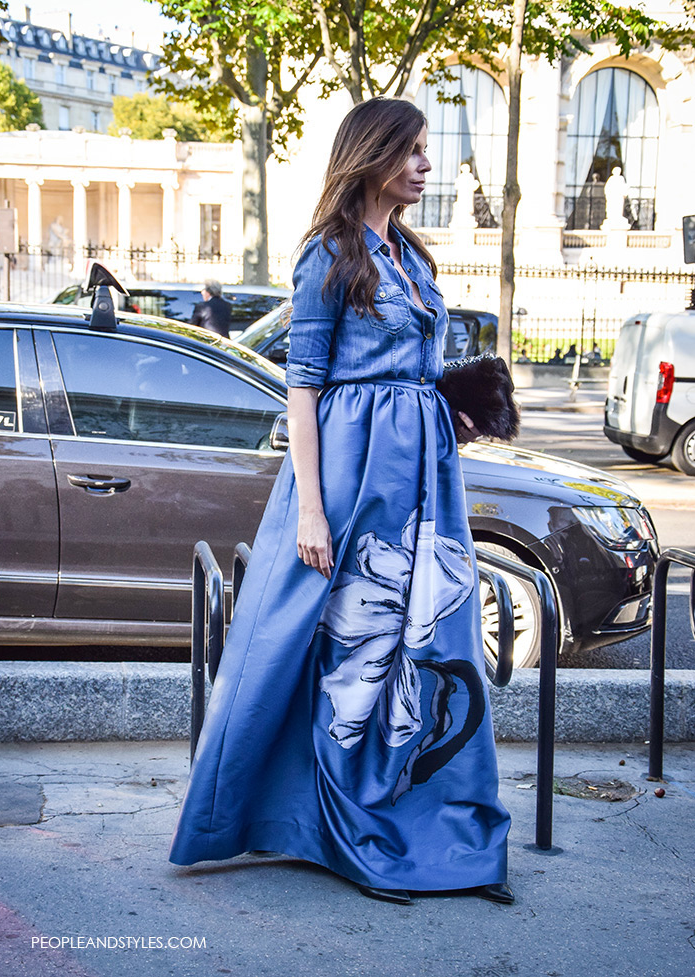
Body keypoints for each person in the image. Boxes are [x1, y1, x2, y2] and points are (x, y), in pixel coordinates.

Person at [169, 97, 512, 906]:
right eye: (416, 152)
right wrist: (313, 512)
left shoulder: (412, 256)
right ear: (375, 154)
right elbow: (302, 392)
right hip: (350, 479)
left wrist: (453, 407)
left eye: (430, 152)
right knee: (338, 653)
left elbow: (416, 369)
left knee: (421, 642)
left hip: (422, 479)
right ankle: (331, 826)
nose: (429, 166)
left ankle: (424, 814)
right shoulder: (328, 254)